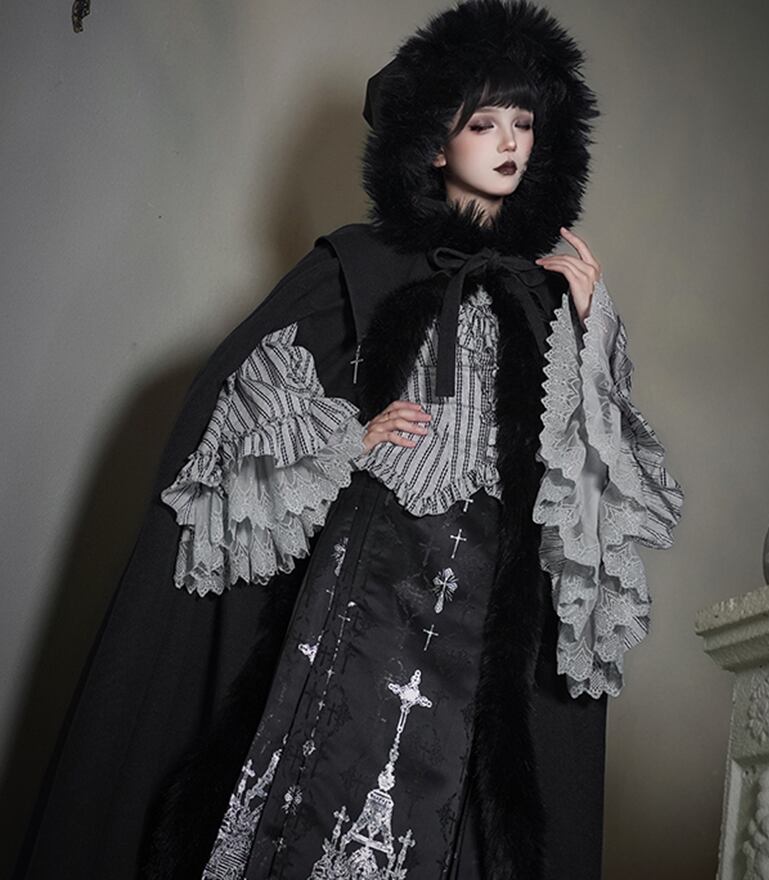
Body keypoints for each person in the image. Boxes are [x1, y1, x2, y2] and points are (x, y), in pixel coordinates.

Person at [14, 2, 683, 879]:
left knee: (457, 798)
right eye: (483, 122)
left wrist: (592, 321)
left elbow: (600, 475)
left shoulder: (552, 294)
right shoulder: (363, 260)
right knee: (328, 764)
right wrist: (346, 440)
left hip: (489, 598)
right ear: (435, 142)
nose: (509, 142)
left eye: (523, 123)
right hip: (372, 569)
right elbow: (247, 388)